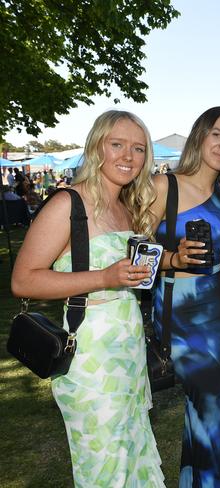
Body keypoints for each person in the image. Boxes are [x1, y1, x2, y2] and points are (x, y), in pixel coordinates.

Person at [11, 110, 164, 486]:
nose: (128, 156)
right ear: (97, 146)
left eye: (138, 148)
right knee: (104, 470)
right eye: (117, 145)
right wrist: (105, 277)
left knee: (132, 459)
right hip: (90, 355)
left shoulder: (127, 208)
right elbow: (23, 280)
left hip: (128, 351)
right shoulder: (68, 204)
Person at [149, 106, 220, 486]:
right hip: (183, 324)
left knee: (202, 417)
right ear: (199, 136)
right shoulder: (165, 187)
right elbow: (128, 254)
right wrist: (172, 257)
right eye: (217, 135)